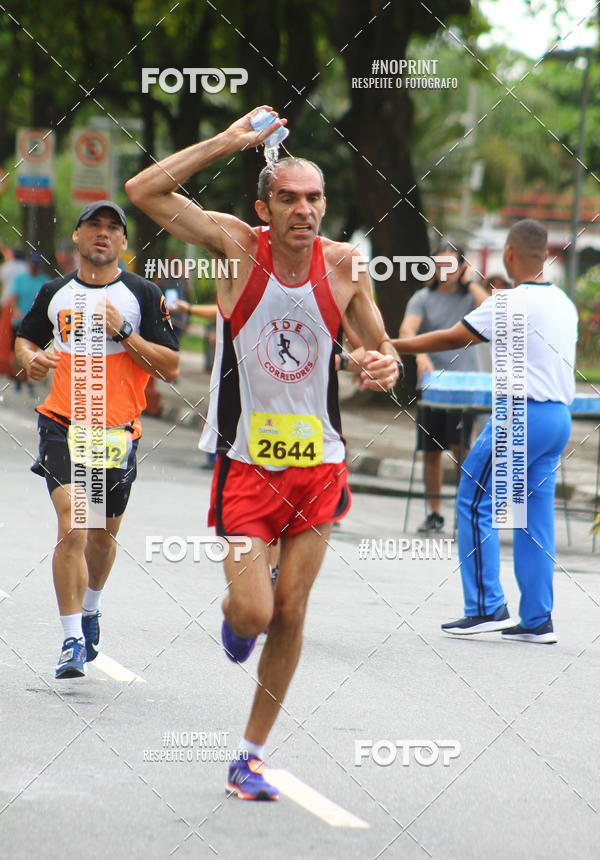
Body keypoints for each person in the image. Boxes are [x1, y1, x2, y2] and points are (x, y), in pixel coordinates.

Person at [125, 106, 400, 800]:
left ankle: (249, 756)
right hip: (248, 465)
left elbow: (380, 348)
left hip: (320, 465)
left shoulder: (344, 266)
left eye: (314, 199)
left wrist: (383, 365)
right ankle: (237, 619)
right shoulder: (235, 248)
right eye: (288, 198)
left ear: (324, 206)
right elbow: (144, 191)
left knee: (292, 611)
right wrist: (229, 140)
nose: (303, 210)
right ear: (264, 207)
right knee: (254, 612)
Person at [15, 201, 179, 678]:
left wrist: (124, 331)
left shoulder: (142, 294)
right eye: (93, 226)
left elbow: (170, 367)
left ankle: (90, 609)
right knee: (74, 525)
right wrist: (30, 359)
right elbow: (26, 339)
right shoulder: (55, 292)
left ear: (124, 242)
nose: (102, 234)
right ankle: (70, 639)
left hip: (116, 431)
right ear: (77, 236)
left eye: (112, 228)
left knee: (103, 540)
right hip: (63, 423)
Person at [393, 220, 577, 644]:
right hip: (557, 419)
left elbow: (451, 338)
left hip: (520, 416)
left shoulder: (511, 302)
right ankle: (537, 619)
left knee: (475, 499)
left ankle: (485, 607)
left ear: (509, 253)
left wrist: (391, 345)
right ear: (544, 255)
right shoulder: (564, 302)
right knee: (532, 518)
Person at [399, 249, 488, 532]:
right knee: (431, 451)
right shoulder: (422, 298)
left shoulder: (470, 298)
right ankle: (435, 513)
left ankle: (467, 509)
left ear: (461, 267)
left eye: (450, 265)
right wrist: (420, 355)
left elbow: (494, 310)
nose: (443, 271)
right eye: (438, 265)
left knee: (462, 448)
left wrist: (470, 282)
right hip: (433, 385)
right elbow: (407, 331)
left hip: (465, 387)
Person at [8, 253, 52, 391]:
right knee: (15, 351)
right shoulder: (20, 279)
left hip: (37, 322)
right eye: (33, 263)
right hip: (19, 321)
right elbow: (13, 299)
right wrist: (17, 313)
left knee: (35, 351)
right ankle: (18, 378)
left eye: (37, 264)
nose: (34, 266)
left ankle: (29, 379)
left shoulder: (44, 281)